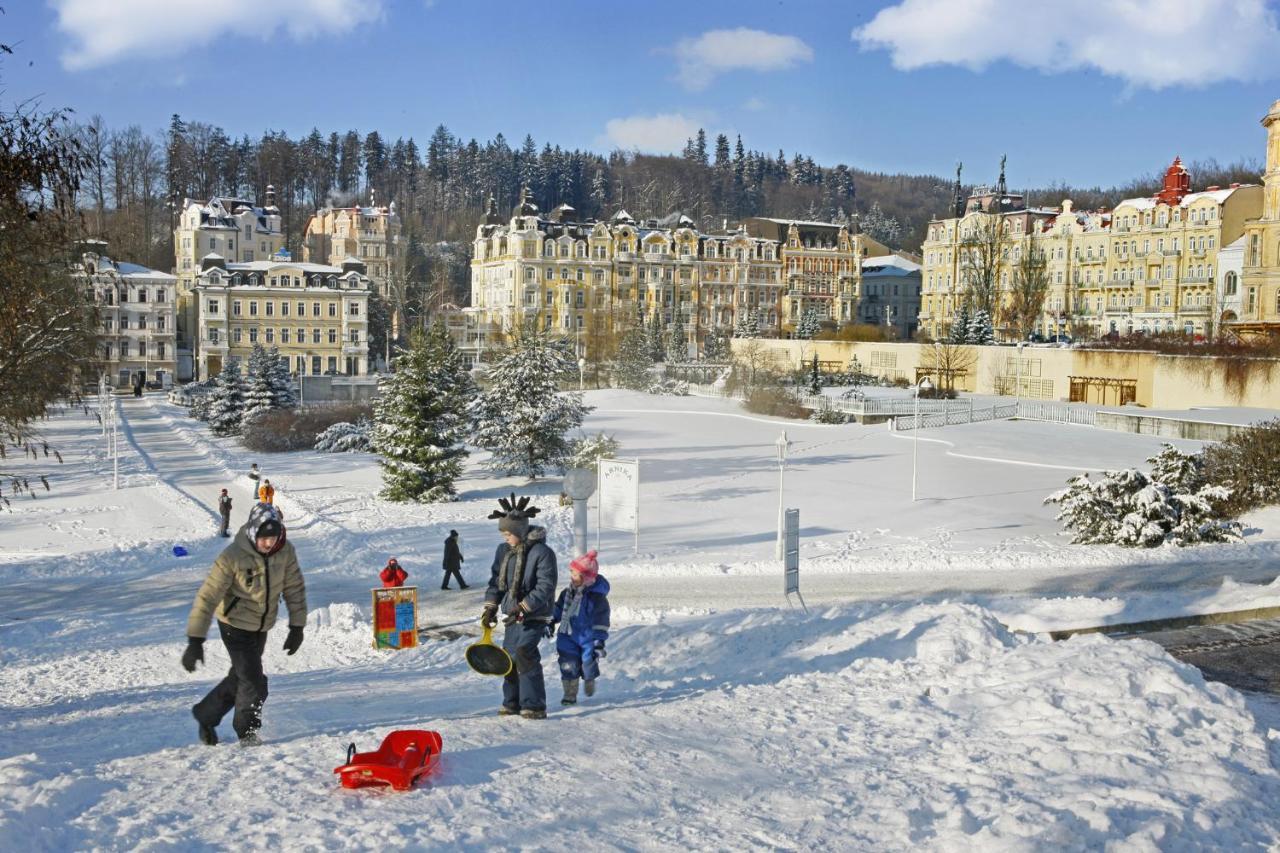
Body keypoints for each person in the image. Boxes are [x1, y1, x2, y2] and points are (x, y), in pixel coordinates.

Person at [181, 502, 307, 747]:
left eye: (273, 537)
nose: (269, 543)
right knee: (253, 681)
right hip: (234, 625)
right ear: (252, 532)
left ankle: (205, 714)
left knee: (240, 677)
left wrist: (297, 626)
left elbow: (294, 588)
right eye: (264, 538)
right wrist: (195, 640)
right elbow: (207, 596)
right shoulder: (232, 557)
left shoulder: (285, 552)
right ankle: (247, 731)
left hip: (261, 627)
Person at [481, 494, 556, 720]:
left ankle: (534, 705)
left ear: (521, 533)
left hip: (534, 614)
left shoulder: (542, 553)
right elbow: (496, 581)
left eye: (508, 534)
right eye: (503, 534)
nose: (505, 538)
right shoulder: (503, 552)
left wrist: (524, 606)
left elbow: (545, 585)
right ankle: (511, 702)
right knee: (510, 657)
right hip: (512, 614)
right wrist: (491, 607)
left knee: (525, 653)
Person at [550, 550, 610, 706]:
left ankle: (589, 677)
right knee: (567, 664)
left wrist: (599, 640)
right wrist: (550, 621)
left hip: (587, 638)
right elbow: (558, 609)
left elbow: (601, 619)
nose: (572, 577)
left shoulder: (596, 598)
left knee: (587, 663)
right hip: (567, 635)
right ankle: (570, 694)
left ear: (586, 578)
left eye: (575, 574)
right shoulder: (567, 593)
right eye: (571, 572)